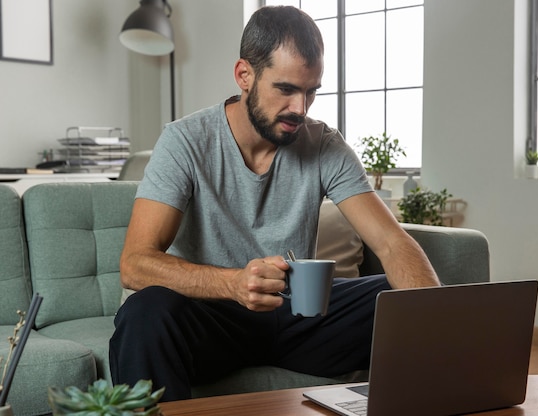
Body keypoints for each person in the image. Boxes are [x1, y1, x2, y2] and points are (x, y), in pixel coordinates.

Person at [109, 5, 440, 402]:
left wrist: (433, 322)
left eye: (311, 91)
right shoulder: (185, 141)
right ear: (244, 75)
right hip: (215, 317)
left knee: (399, 298)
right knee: (145, 313)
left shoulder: (324, 145)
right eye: (286, 89)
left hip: (298, 319)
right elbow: (135, 263)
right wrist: (232, 283)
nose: (300, 108)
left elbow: (390, 242)